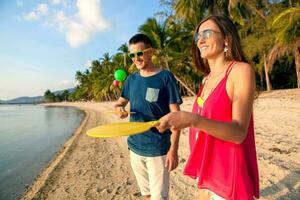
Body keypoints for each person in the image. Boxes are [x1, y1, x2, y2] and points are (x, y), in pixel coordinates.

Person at [156, 15, 259, 200]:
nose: (200, 40)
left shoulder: (240, 71)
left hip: (228, 176)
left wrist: (193, 120)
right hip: (206, 173)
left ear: (226, 38)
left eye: (207, 33)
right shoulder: (206, 79)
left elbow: (238, 132)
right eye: (198, 36)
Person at [114, 33, 182, 200]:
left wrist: (173, 150)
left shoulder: (165, 77)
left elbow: (176, 116)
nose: (136, 59)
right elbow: (118, 103)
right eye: (132, 55)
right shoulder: (131, 80)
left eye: (139, 53)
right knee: (147, 195)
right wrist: (119, 110)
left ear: (150, 52)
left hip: (158, 150)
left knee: (159, 198)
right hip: (135, 148)